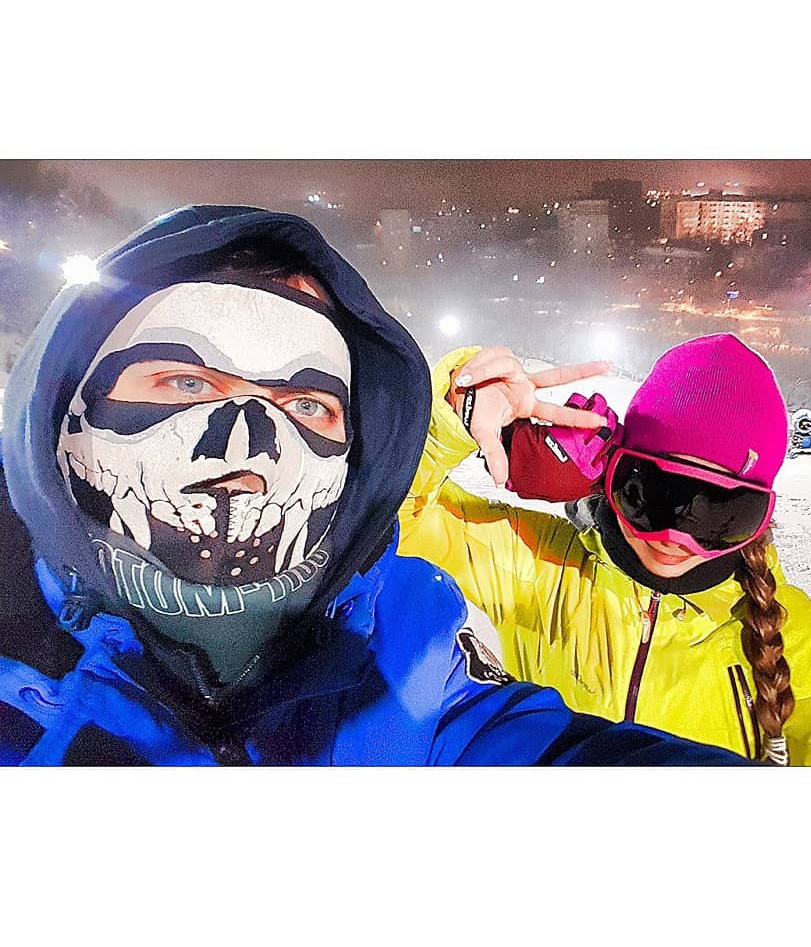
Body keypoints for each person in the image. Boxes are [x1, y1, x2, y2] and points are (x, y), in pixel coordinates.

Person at [0, 205, 750, 766]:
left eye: (305, 405)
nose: (244, 452)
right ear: (64, 403)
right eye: (187, 381)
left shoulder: (403, 655)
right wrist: (454, 413)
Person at [398, 337, 811, 765]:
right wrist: (452, 419)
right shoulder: (536, 564)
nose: (675, 537)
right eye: (653, 496)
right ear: (612, 472)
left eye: (719, 514)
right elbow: (388, 524)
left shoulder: (803, 640)